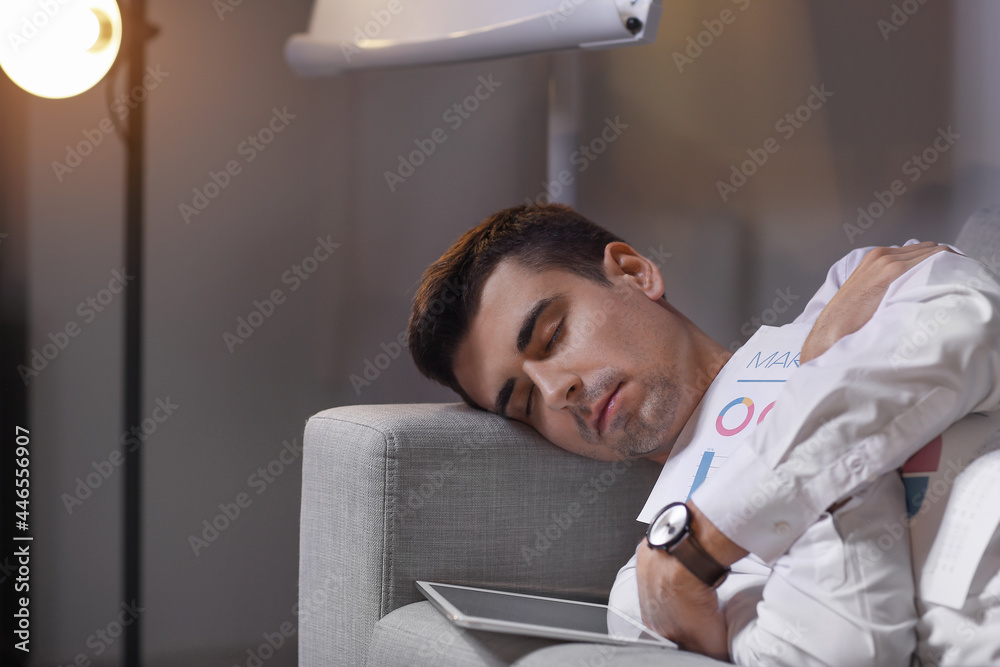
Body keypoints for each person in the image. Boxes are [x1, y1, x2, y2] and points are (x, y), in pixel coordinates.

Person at [406, 203, 1000, 665]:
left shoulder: (861, 285)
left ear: (635, 274)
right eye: (524, 402)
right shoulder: (647, 595)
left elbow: (972, 333)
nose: (555, 390)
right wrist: (828, 385)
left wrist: (710, 536)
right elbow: (845, 653)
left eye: (553, 335)